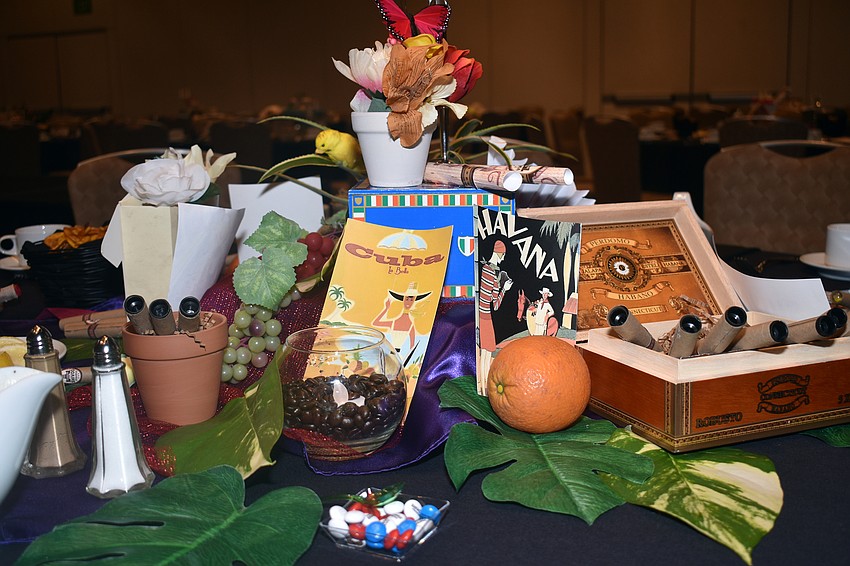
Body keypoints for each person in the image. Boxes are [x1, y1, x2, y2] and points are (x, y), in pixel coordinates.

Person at [477, 239, 512, 388]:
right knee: (486, 353)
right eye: (503, 255)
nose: (504, 258)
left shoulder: (486, 269)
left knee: (485, 352)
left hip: (483, 314)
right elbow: (495, 304)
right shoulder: (490, 271)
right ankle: (484, 385)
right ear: (499, 254)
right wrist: (504, 289)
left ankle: (484, 385)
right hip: (485, 316)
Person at [372, 282, 431, 352]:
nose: (408, 302)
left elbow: (412, 346)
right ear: (403, 300)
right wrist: (386, 309)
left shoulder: (410, 325)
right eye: (406, 299)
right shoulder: (394, 322)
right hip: (388, 352)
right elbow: (375, 323)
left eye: (411, 300)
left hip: (398, 355)